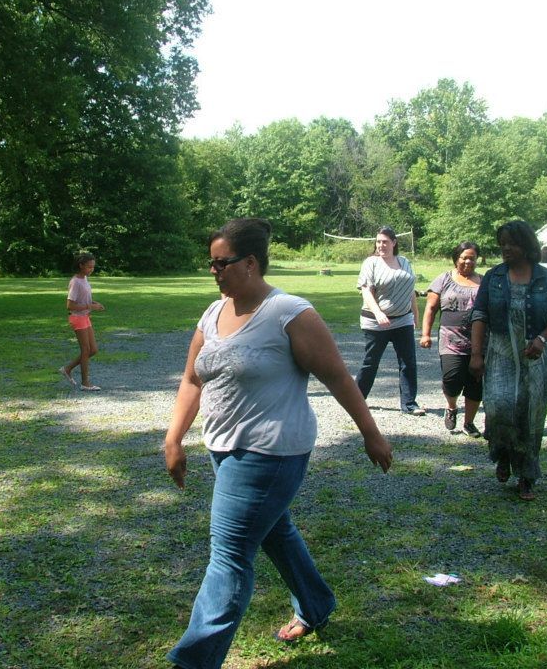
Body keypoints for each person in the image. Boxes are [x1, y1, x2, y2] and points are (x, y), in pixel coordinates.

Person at [164, 218, 393, 669]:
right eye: (211, 263)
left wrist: (371, 433)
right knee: (274, 531)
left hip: (271, 452)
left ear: (250, 263)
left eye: (221, 263)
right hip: (223, 448)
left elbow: (338, 377)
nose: (213, 271)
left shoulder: (289, 313)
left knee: (229, 555)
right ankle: (316, 604)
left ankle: (194, 661)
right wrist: (174, 438)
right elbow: (192, 379)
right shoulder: (213, 313)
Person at [469, 221, 547, 501]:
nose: (506, 248)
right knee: (499, 407)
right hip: (501, 352)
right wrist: (476, 355)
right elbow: (480, 314)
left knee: (529, 415)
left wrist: (542, 339)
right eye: (502, 243)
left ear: (526, 245)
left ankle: (526, 477)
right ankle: (503, 454)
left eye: (511, 243)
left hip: (535, 355)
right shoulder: (494, 277)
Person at [354, 226, 426, 416]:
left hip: (403, 320)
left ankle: (409, 404)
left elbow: (410, 289)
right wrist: (378, 313)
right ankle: (356, 400)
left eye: (385, 242)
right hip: (375, 322)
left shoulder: (404, 262)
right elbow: (366, 291)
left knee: (408, 362)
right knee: (371, 362)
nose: (381, 245)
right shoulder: (371, 263)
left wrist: (415, 314)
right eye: (378, 242)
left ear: (394, 243)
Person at [420, 241, 483, 438]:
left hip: (479, 341)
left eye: (472, 258)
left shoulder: (484, 281)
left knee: (475, 382)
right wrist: (425, 334)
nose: (468, 261)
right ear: (456, 259)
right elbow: (431, 308)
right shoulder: (444, 279)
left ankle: (469, 423)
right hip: (450, 341)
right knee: (452, 378)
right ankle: (451, 407)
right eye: (464, 258)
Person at [59, 253, 105, 391]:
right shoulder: (75, 282)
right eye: (89, 267)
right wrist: (90, 306)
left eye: (93, 267)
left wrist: (94, 303)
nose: (92, 269)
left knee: (93, 350)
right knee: (85, 350)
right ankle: (85, 383)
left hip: (85, 317)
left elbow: (83, 299)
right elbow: (70, 305)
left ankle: (67, 369)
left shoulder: (84, 278)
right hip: (77, 318)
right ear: (81, 265)